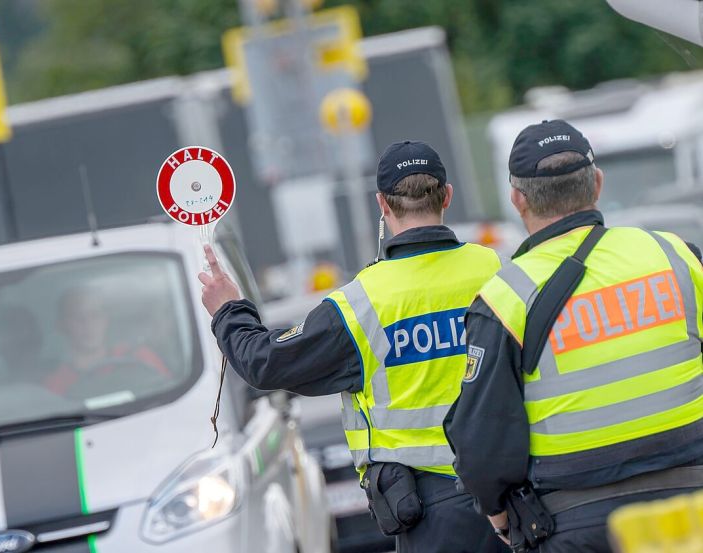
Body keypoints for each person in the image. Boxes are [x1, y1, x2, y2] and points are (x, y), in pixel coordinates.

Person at [199, 141, 506, 553]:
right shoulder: (497, 271)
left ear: (382, 203)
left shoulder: (361, 304)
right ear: (447, 195)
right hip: (513, 495)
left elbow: (264, 363)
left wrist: (228, 309)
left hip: (431, 515)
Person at [444, 119, 703, 552]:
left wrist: (501, 515)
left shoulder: (506, 298)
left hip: (580, 524)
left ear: (517, 199)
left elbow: (482, 437)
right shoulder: (674, 256)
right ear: (597, 183)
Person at [45, 285, 170, 398]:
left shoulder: (139, 357)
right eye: (77, 317)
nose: (88, 324)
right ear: (62, 325)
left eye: (95, 315)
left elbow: (170, 397)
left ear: (106, 319)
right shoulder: (55, 385)